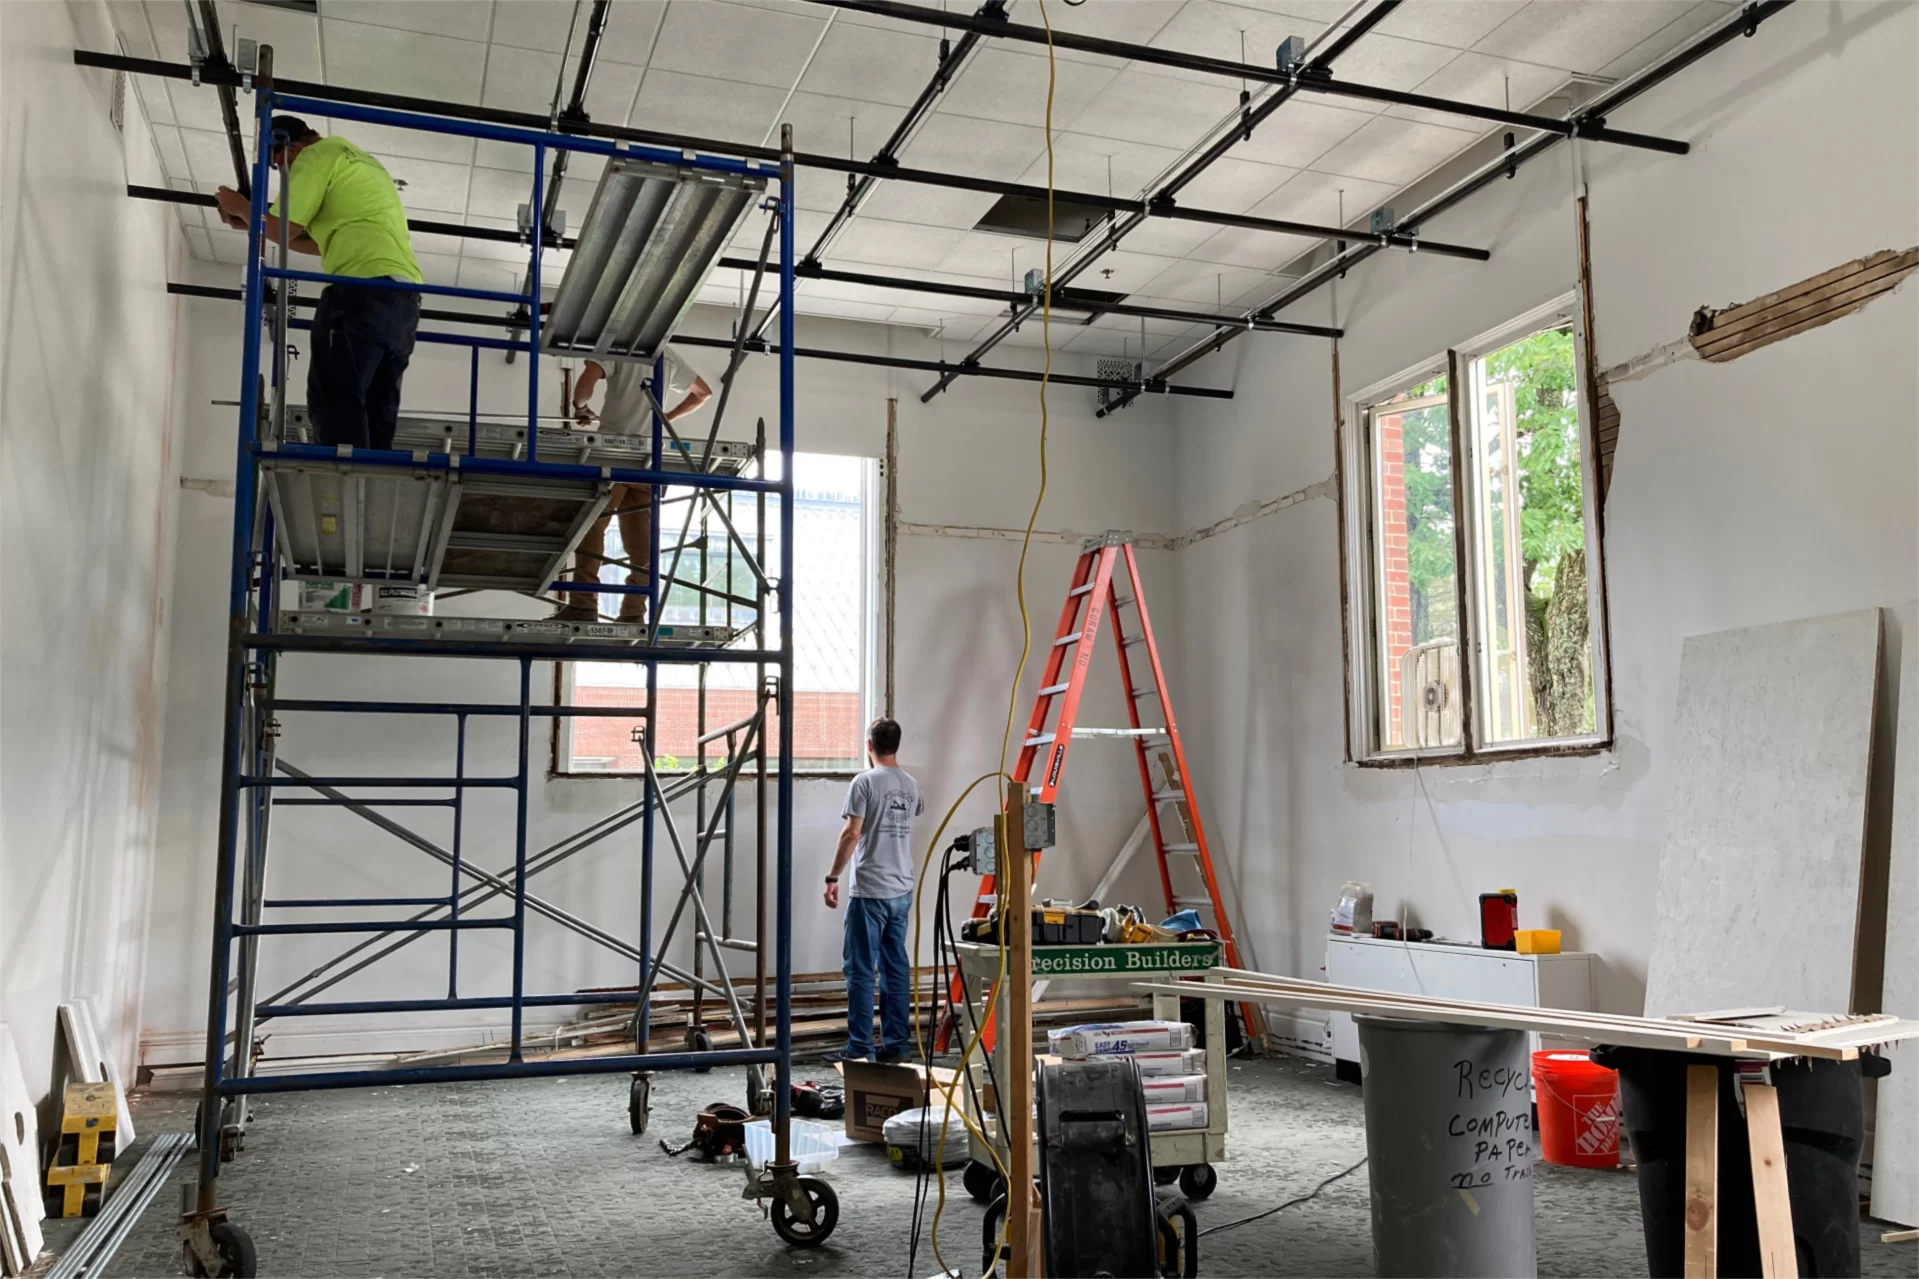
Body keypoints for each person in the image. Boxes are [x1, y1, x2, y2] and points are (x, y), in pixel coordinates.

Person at [213, 115, 423, 452]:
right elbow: (314, 242)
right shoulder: (356, 159)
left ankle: (341, 481)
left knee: (335, 395)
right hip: (404, 302)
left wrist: (240, 207)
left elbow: (283, 228)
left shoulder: (313, 157)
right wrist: (254, 223)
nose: (284, 173)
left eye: (277, 164)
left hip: (361, 291)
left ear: (287, 150)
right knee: (375, 408)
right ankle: (373, 484)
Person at [557, 350, 712, 623]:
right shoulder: (668, 356)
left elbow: (584, 386)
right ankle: (634, 612)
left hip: (611, 456)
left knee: (591, 530)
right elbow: (703, 392)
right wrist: (663, 419)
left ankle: (583, 605)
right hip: (647, 461)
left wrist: (579, 407)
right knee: (643, 545)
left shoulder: (618, 348)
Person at [825, 718, 924, 1064]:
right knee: (895, 968)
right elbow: (914, 814)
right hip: (901, 890)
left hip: (869, 891)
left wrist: (832, 876)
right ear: (896, 745)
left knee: (861, 970)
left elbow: (852, 833)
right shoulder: (911, 785)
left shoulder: (864, 782)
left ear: (869, 745)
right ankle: (897, 1045)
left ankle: (860, 1047)